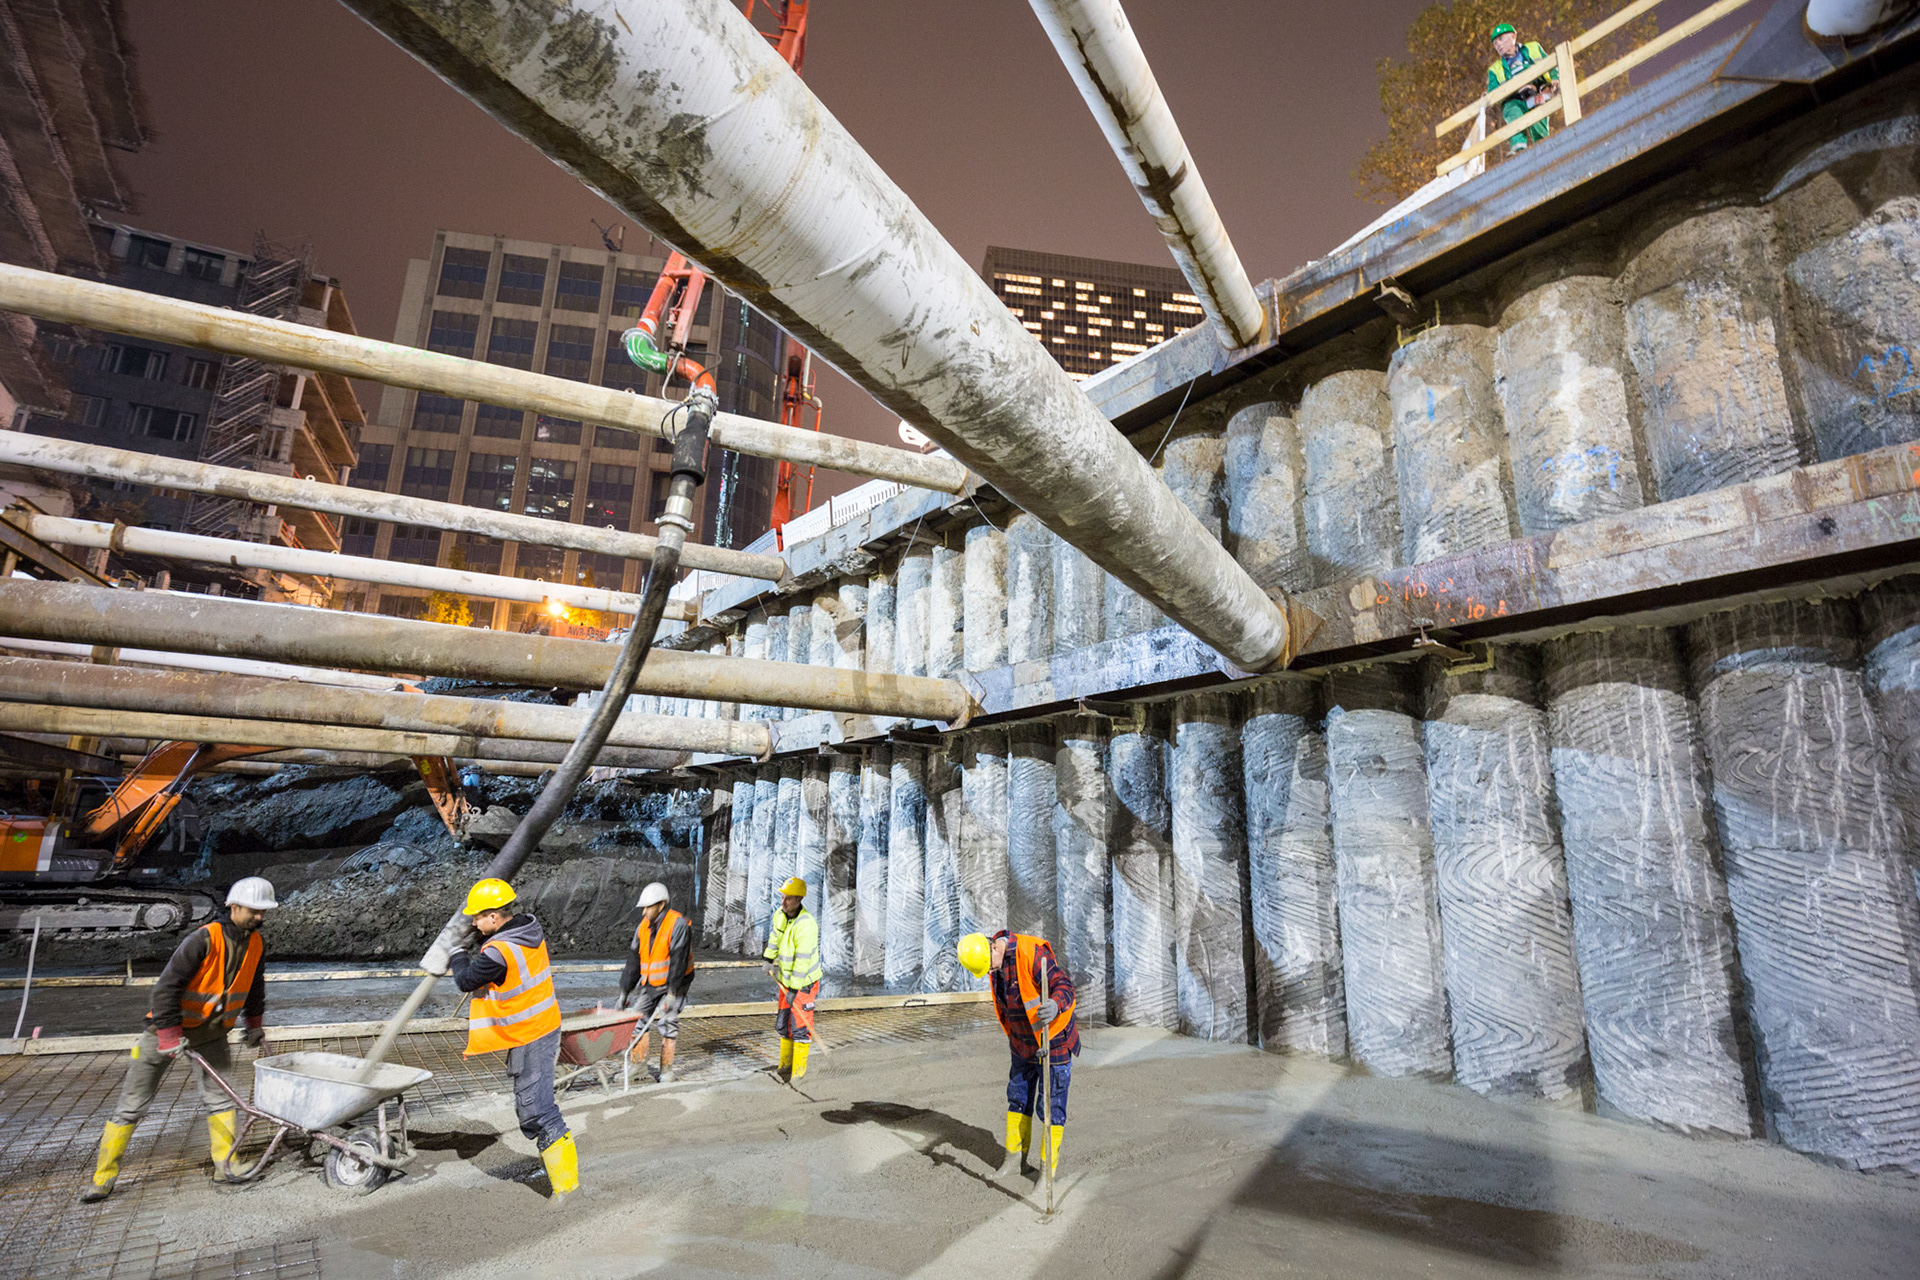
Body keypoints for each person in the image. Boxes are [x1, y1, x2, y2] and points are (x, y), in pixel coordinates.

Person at [79, 877, 278, 1204]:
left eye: (263, 912)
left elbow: (255, 988)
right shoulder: (203, 939)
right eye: (254, 911)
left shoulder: (256, 943)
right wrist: (170, 1034)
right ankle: (103, 1179)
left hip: (212, 1034)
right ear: (235, 906)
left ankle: (225, 1165)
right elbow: (165, 989)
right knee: (132, 1105)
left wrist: (254, 1023)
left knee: (222, 1100)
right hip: (163, 1033)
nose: (260, 917)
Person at [447, 877, 579, 1205]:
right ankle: (564, 1181)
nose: (474, 922)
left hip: (532, 1034)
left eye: (477, 917)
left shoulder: (499, 951)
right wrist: (478, 940)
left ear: (494, 917)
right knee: (533, 1106)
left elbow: (465, 980)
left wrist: (456, 952)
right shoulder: (527, 930)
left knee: (537, 1111)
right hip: (539, 1027)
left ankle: (568, 1190)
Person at [958, 929, 1078, 1179]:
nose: (991, 972)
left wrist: (1055, 1004)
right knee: (1017, 1099)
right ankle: (1014, 1161)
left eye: (989, 967)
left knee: (1050, 1107)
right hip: (1022, 1043)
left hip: (1052, 1041)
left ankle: (1046, 1174)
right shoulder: (995, 962)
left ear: (994, 948)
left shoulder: (1033, 953)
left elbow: (1064, 987)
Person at [617, 881, 695, 1083]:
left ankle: (666, 1070)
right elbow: (633, 961)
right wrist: (624, 992)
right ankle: (638, 1067)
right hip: (651, 984)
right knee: (637, 1022)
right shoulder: (643, 928)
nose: (644, 912)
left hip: (675, 983)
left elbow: (678, 961)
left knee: (668, 1021)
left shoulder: (677, 924)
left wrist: (672, 993)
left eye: (647, 907)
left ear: (661, 905)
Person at [762, 876, 822, 1084]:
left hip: (802, 984)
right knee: (784, 1023)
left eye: (788, 899)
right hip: (786, 982)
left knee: (800, 1026)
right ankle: (785, 1065)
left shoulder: (806, 925)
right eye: (783, 897)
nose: (783, 902)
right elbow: (775, 938)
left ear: (799, 900)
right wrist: (769, 958)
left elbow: (802, 961)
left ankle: (798, 1072)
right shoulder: (781, 915)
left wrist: (794, 989)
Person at [1486, 22, 1558, 155]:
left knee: (1538, 116)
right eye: (1495, 43)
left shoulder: (1533, 48)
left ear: (1513, 37)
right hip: (1515, 100)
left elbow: (1552, 63)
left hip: (1537, 92)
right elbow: (1492, 94)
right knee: (1513, 113)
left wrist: (1555, 78)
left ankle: (1543, 146)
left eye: (1501, 39)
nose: (1498, 45)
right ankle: (1518, 148)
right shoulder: (1495, 70)